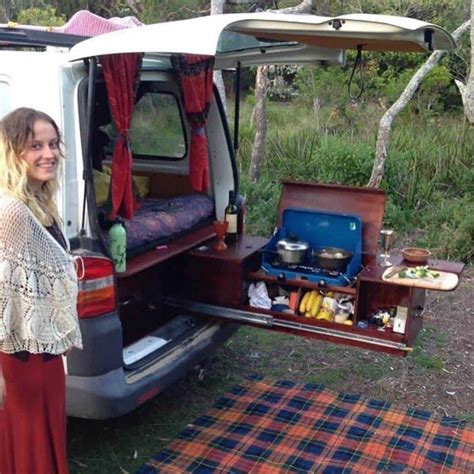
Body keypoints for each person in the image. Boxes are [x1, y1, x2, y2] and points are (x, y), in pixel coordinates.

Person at [0, 108, 82, 474]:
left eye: (52, 144)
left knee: (42, 440)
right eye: (35, 145)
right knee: (31, 448)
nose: (49, 153)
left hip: (43, 351)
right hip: (21, 357)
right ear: (13, 152)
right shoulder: (13, 213)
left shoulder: (40, 205)